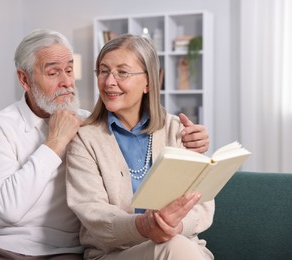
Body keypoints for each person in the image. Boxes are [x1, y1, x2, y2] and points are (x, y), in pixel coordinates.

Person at [0, 29, 210, 260]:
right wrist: (54, 142)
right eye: (53, 73)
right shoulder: (0, 127)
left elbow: (201, 200)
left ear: (150, 81)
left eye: (70, 70)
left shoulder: (86, 124)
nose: (67, 82)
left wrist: (197, 149)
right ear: (24, 79)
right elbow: (11, 209)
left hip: (64, 251)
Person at [66, 34, 215, 260]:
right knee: (173, 248)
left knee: (174, 245)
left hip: (179, 245)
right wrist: (143, 226)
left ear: (148, 81)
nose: (109, 82)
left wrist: (176, 227)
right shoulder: (85, 139)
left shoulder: (176, 129)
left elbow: (202, 204)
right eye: (103, 71)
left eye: (122, 72)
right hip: (114, 254)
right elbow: (92, 213)